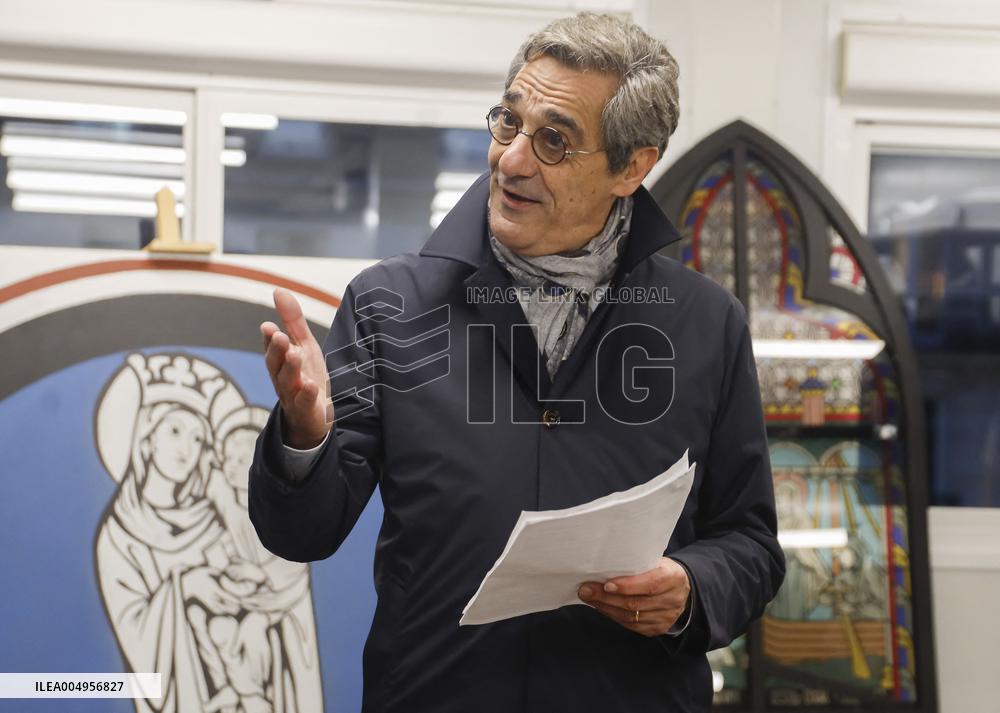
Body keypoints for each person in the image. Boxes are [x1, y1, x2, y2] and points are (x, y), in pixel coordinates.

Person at [249, 12, 785, 713]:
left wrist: (692, 586)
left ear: (633, 166)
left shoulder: (705, 324)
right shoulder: (391, 305)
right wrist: (303, 439)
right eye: (508, 122)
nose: (511, 159)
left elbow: (751, 541)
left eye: (553, 139)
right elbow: (302, 531)